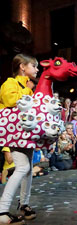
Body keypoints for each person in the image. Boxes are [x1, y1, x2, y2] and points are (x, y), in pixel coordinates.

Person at [0, 54, 38, 224]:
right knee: (22, 167)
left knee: (28, 168)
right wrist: (26, 89)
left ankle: (24, 204)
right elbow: (10, 101)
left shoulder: (29, 87)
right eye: (34, 66)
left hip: (24, 133)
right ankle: (2, 211)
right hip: (13, 133)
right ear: (22, 67)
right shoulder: (10, 83)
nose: (37, 69)